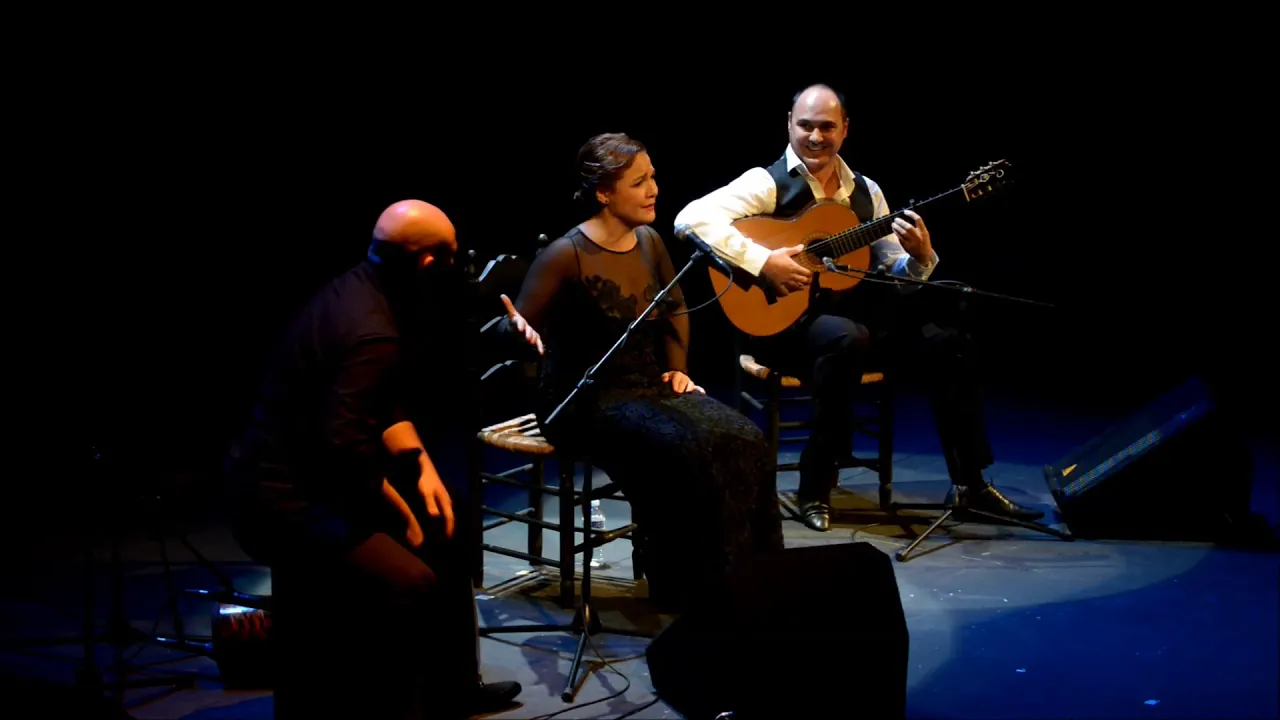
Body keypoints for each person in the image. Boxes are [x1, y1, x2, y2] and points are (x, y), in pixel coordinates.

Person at [673, 83, 1044, 531]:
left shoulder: (868, 193)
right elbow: (690, 219)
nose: (814, 137)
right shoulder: (765, 183)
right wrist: (764, 260)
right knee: (848, 338)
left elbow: (895, 278)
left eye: (826, 127)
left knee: (949, 342)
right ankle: (814, 488)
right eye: (805, 125)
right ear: (789, 123)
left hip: (855, 323)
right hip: (783, 329)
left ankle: (971, 484)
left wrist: (921, 257)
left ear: (845, 130)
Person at [222, 200, 521, 719]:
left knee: (448, 520)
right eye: (452, 254)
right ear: (429, 263)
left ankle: (452, 688)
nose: (459, 263)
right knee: (410, 579)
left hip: (319, 475)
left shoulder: (370, 288)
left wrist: (422, 468)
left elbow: (380, 405)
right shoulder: (370, 327)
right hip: (279, 498)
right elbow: (344, 448)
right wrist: (399, 514)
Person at [498, 132, 785, 612]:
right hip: (581, 399)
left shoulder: (649, 240)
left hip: (647, 386)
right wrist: (518, 333)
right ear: (604, 193)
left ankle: (752, 579)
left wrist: (677, 369)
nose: (653, 189)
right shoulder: (565, 255)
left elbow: (675, 306)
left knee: (743, 437)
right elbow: (518, 326)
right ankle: (689, 588)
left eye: (652, 177)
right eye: (639, 182)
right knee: (684, 448)